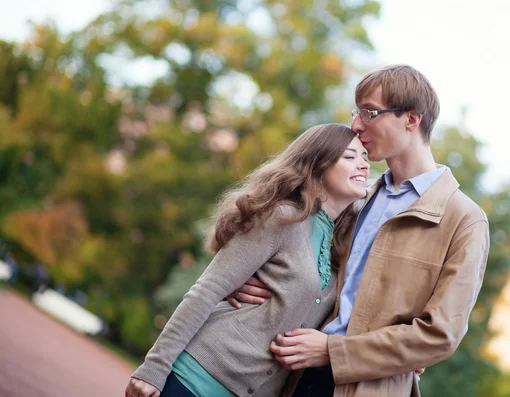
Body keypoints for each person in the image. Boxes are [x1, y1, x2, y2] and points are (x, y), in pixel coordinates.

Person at [231, 64, 490, 397]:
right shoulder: (354, 197)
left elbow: (440, 335)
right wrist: (243, 280)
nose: (355, 125)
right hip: (292, 375)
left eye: (370, 113)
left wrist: (332, 351)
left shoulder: (465, 221)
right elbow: (292, 258)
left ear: (411, 119)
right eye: (357, 113)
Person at [124, 123, 371, 397]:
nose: (363, 166)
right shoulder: (282, 217)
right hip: (195, 380)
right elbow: (207, 291)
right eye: (350, 157)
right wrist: (153, 368)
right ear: (318, 163)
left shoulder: (342, 248)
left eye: (365, 158)